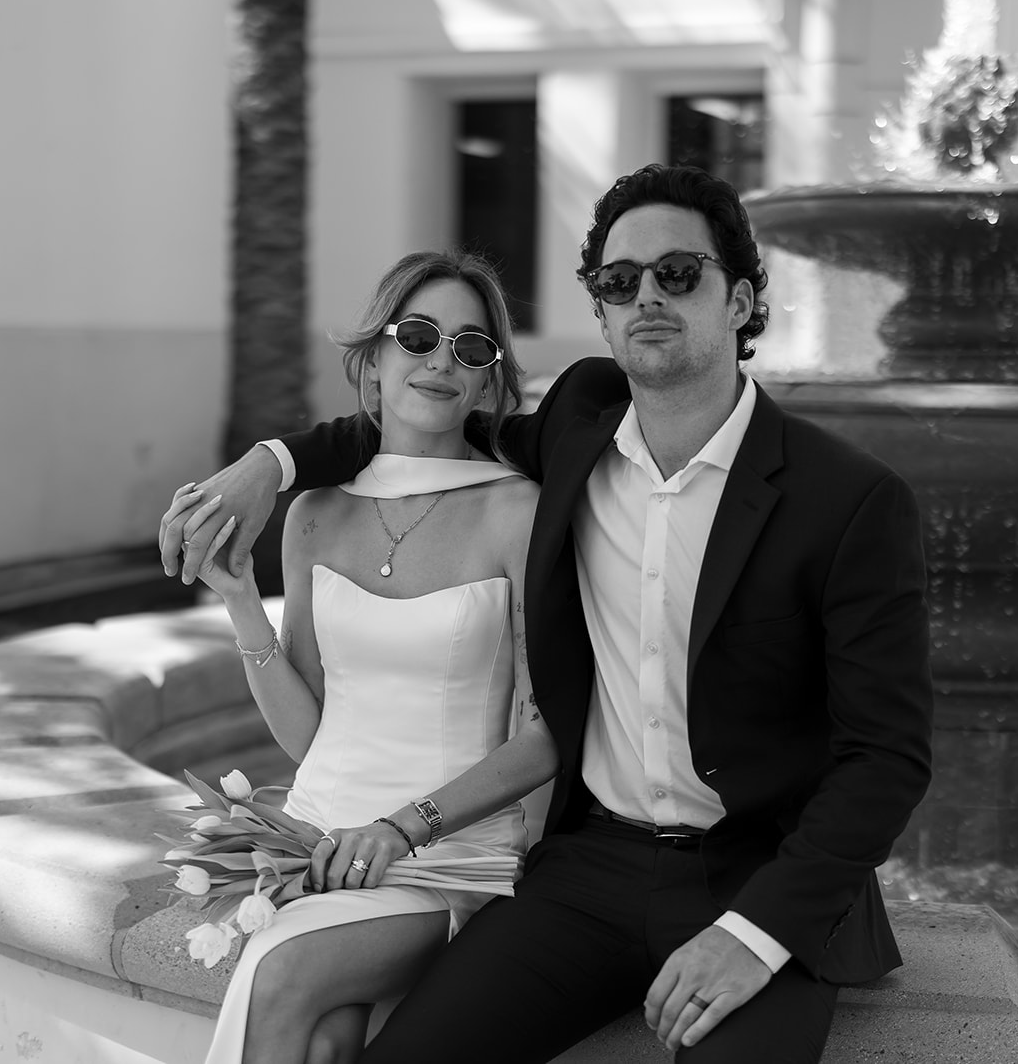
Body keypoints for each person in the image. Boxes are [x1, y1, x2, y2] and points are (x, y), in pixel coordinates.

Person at [165, 164, 934, 1063]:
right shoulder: (576, 423)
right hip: (588, 869)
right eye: (619, 281)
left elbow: (887, 758)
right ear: (601, 313)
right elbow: (413, 428)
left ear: (742, 300)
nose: (647, 294)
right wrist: (271, 462)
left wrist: (757, 933)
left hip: (757, 874)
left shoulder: (850, 498)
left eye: (679, 273)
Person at [165, 249, 556, 1064]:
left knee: (278, 970)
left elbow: (543, 732)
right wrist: (242, 602)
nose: (442, 360)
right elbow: (311, 736)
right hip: (314, 841)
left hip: (446, 855)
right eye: (417, 336)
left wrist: (404, 829)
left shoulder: (518, 511)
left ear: (489, 382)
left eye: (471, 347)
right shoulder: (312, 515)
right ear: (373, 362)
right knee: (325, 1044)